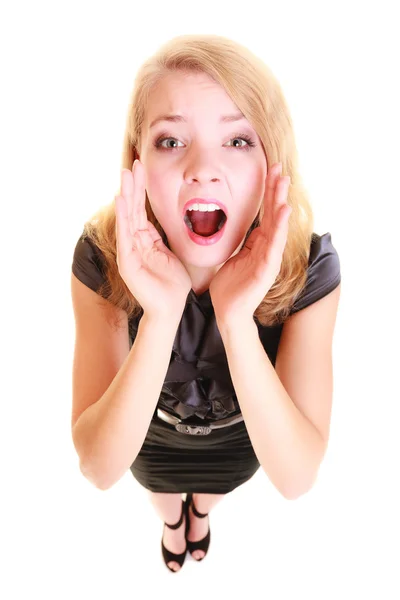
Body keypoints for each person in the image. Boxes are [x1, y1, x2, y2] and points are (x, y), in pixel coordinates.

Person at [70, 34, 341, 573]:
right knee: (163, 496)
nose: (202, 168)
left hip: (245, 440)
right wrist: (162, 314)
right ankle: (175, 521)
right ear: (137, 163)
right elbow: (99, 467)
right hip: (145, 436)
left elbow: (296, 476)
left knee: (212, 492)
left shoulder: (310, 269)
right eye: (171, 141)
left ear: (273, 163)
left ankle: (202, 516)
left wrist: (236, 318)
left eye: (238, 141)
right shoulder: (102, 257)